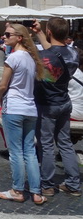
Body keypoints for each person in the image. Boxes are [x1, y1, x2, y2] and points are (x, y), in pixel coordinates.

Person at [0, 23, 46, 205]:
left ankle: (17, 190)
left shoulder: (13, 57)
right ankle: (36, 192)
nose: (4, 37)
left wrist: (0, 99)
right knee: (30, 151)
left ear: (19, 37)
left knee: (16, 152)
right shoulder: (32, 59)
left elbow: (3, 85)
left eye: (8, 34)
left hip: (14, 107)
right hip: (30, 109)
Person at [31, 18, 81, 197]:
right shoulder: (74, 53)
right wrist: (40, 33)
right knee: (65, 144)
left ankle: (48, 185)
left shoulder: (44, 57)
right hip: (65, 102)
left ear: (50, 32)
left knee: (46, 145)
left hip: (47, 105)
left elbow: (48, 55)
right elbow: (55, 50)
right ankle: (74, 185)